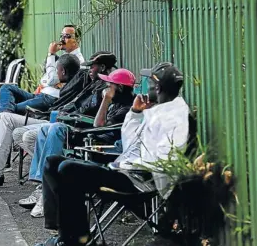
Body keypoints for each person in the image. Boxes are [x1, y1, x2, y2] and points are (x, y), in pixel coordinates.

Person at [37, 62, 189, 246]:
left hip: (140, 180)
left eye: (149, 82)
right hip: (125, 170)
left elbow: (163, 161)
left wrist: (130, 163)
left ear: (157, 87)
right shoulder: (157, 111)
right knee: (52, 162)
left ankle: (75, 241)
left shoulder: (176, 117)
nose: (145, 85)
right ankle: (64, 234)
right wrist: (135, 113)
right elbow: (129, 144)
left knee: (68, 169)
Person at [19, 68, 136, 218]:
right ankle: (41, 185)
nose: (106, 88)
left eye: (109, 85)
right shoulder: (117, 102)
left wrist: (106, 99)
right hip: (92, 135)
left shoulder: (126, 108)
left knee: (56, 129)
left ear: (119, 88)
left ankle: (45, 193)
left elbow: (99, 125)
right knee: (44, 130)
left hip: (99, 144)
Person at [0, 53, 81, 188]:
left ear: (62, 71)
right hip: (47, 116)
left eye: (57, 70)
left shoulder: (73, 87)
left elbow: (57, 109)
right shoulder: (71, 84)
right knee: (4, 115)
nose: (56, 74)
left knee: (4, 118)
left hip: (51, 122)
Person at [0, 24, 85, 153]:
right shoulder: (62, 58)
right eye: (61, 36)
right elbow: (45, 80)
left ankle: (0, 130)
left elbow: (50, 80)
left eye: (67, 36)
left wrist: (51, 54)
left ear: (77, 40)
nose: (62, 39)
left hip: (49, 99)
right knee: (6, 90)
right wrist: (50, 80)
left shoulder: (77, 60)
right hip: (41, 94)